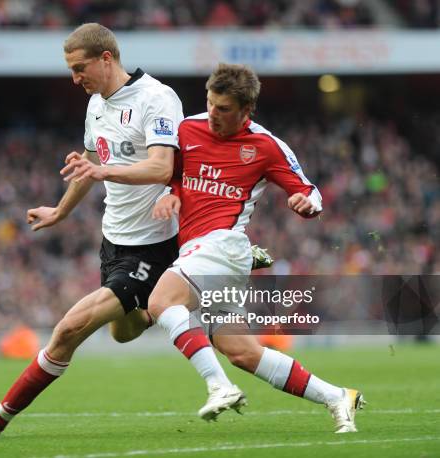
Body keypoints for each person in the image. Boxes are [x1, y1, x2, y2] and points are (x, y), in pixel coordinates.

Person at [0, 24, 271, 440]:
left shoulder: (156, 98)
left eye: (79, 68)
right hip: (115, 243)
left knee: (69, 329)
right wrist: (59, 211)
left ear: (106, 58)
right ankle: (160, 305)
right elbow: (90, 164)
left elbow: (162, 167)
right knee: (123, 332)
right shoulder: (96, 105)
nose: (75, 78)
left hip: (153, 245)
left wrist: (102, 170)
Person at [148, 63, 365, 433]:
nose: (214, 115)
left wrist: (308, 205)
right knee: (242, 353)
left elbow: (308, 190)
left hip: (224, 246)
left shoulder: (265, 145)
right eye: (211, 104)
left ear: (247, 110)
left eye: (224, 109)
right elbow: (173, 175)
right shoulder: (187, 130)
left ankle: (219, 387)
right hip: (196, 251)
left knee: (160, 303)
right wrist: (171, 195)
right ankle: (337, 395)